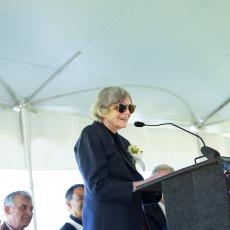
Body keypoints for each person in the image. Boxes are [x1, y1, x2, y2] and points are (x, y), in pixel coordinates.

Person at [74, 86, 161, 230]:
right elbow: (98, 186)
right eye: (121, 107)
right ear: (103, 108)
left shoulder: (123, 142)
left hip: (129, 221)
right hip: (107, 223)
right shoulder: (91, 134)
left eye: (131, 108)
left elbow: (130, 184)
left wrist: (160, 184)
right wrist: (140, 184)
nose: (127, 112)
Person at [144, 164, 175, 230]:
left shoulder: (182, 203)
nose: (164, 184)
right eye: (160, 180)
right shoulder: (147, 208)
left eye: (168, 179)